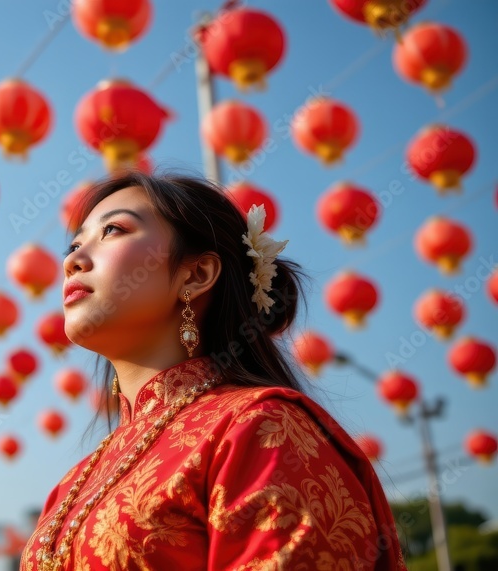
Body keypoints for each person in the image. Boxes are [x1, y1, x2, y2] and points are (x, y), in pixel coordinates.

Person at [20, 171, 406, 570]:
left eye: (113, 230)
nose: (72, 260)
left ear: (196, 274)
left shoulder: (260, 429)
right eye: (74, 243)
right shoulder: (72, 485)